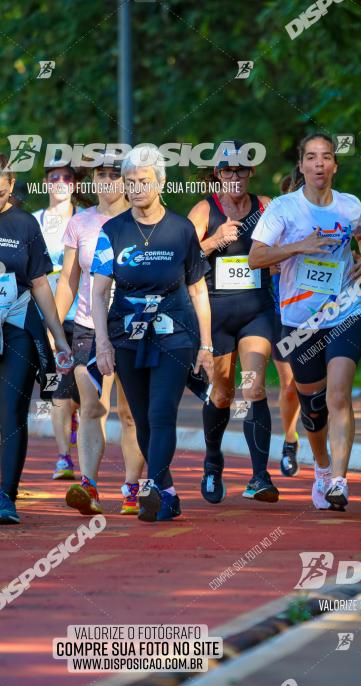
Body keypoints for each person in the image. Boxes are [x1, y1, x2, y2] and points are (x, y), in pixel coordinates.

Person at [249, 132, 361, 511]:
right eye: (311, 157)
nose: (319, 164)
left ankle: (339, 479)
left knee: (338, 395)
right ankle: (321, 469)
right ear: (302, 165)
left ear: (335, 165)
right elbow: (256, 257)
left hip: (345, 311)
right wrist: (297, 247)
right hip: (299, 321)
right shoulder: (283, 210)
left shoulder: (350, 206)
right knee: (313, 408)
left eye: (326, 157)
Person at [93, 146, 213, 522]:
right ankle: (169, 491)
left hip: (174, 332)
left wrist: (206, 345)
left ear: (160, 183)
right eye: (130, 182)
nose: (136, 189)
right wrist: (102, 343)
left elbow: (198, 291)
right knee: (142, 419)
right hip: (126, 334)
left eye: (143, 181)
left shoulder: (181, 230)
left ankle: (155, 489)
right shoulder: (112, 230)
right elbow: (97, 292)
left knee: (162, 414)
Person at [188, 141, 279, 503]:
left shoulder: (267, 207)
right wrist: (214, 240)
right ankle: (212, 462)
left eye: (242, 169)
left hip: (256, 311)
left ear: (251, 172)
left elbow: (283, 249)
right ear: (218, 174)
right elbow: (183, 259)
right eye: (228, 170)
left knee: (254, 388)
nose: (235, 177)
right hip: (217, 313)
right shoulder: (203, 210)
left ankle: (260, 476)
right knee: (223, 394)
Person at [55, 152, 145, 516]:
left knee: (129, 412)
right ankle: (89, 485)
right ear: (93, 180)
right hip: (88, 329)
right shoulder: (80, 222)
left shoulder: (139, 219)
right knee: (92, 406)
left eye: (114, 174)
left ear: (126, 179)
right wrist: (54, 331)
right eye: (101, 174)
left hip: (131, 326)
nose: (107, 180)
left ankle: (131, 487)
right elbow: (67, 280)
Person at [0, 155, 73, 524]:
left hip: (18, 326)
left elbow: (42, 283)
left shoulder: (24, 224)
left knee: (11, 409)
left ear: (11, 186)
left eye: (2, 187)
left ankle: (5, 496)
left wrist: (58, 338)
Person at [33, 160, 83, 480]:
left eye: (67, 177)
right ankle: (63, 456)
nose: (61, 182)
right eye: (55, 177)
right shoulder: (35, 221)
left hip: (81, 313)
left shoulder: (84, 220)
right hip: (43, 314)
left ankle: (76, 415)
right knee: (54, 384)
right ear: (47, 183)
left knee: (81, 386)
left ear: (74, 185)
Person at [271, 171, 302, 478]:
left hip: (326, 313)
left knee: (327, 387)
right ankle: (290, 441)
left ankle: (326, 444)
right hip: (284, 313)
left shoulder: (334, 217)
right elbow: (257, 259)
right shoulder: (278, 217)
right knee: (290, 385)